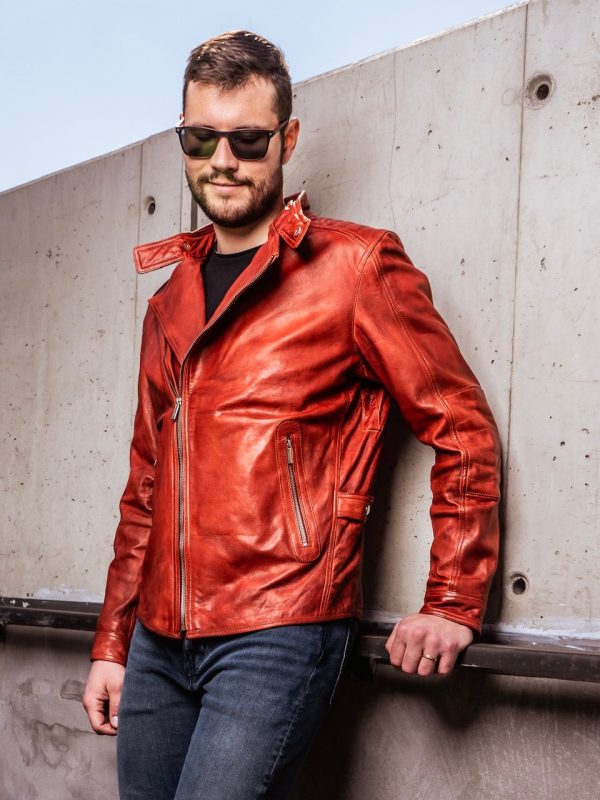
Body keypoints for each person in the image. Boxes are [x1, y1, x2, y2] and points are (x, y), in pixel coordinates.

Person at [83, 30, 501, 800]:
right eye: (201, 138)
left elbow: (461, 427)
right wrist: (113, 641)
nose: (223, 160)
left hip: (279, 629)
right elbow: (145, 487)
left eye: (248, 139)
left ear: (287, 138)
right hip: (156, 643)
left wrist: (452, 600)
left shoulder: (356, 269)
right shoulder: (168, 304)